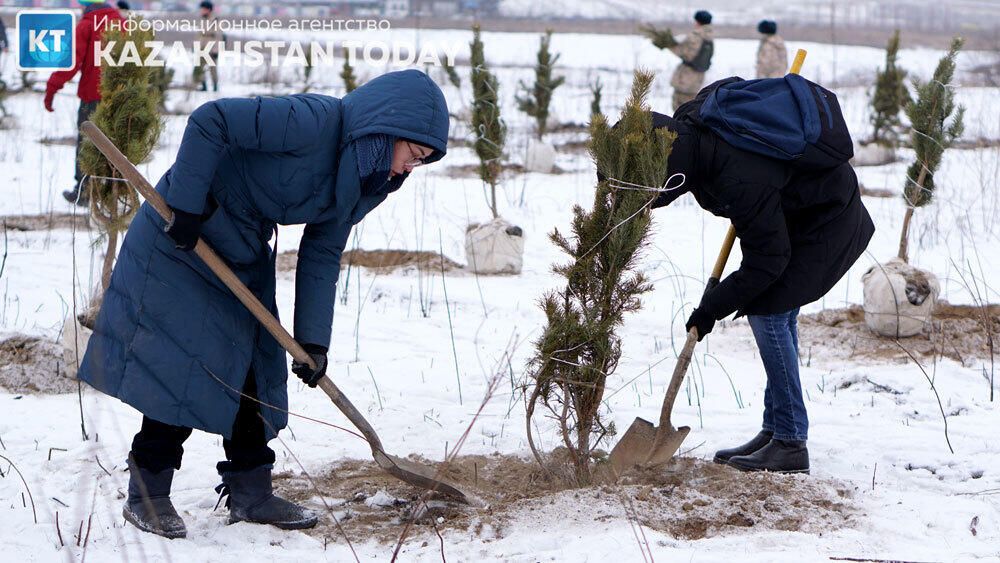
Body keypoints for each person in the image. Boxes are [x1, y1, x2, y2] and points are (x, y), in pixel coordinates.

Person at [77, 69, 449, 538]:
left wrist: (313, 341)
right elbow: (211, 121)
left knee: (255, 364)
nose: (406, 170)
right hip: (182, 237)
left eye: (419, 165)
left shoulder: (366, 179)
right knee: (184, 365)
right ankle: (148, 494)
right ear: (387, 129)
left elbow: (323, 251)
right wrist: (189, 206)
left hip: (239, 250)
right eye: (411, 156)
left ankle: (251, 492)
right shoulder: (312, 121)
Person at [643, 79, 874, 474]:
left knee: (769, 310)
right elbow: (729, 85)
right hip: (789, 211)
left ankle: (789, 442)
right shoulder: (690, 123)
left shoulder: (740, 180)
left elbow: (768, 261)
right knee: (774, 310)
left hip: (825, 218)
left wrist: (711, 307)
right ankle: (775, 429)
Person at [44, 0, 124, 207]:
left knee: (88, 144)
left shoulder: (87, 25)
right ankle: (111, 191)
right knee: (113, 142)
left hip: (93, 96)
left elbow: (71, 62)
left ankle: (85, 192)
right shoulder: (122, 23)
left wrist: (52, 87)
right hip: (118, 96)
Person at [668, 10, 714, 111]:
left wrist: (669, 44)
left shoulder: (696, 36)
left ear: (698, 21)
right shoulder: (709, 36)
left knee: (679, 108)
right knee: (691, 106)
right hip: (698, 77)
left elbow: (686, 54)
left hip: (686, 77)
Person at [197, 0, 223, 92]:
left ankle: (215, 86)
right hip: (202, 47)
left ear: (208, 9)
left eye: (203, 9)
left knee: (212, 69)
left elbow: (218, 36)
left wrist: (216, 50)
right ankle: (203, 85)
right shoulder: (202, 19)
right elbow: (200, 34)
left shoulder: (215, 20)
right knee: (200, 67)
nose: (201, 11)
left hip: (212, 48)